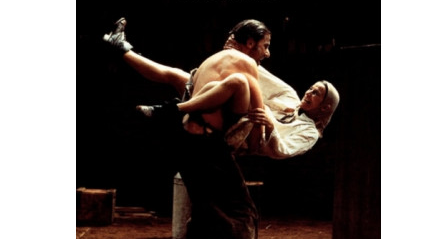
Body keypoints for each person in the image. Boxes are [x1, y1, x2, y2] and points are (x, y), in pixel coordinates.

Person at [104, 18, 282, 239]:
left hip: (185, 144)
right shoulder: (244, 65)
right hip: (206, 147)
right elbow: (255, 116)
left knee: (205, 208)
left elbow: (166, 74)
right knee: (241, 215)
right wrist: (260, 133)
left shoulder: (209, 65)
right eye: (265, 46)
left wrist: (123, 50)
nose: (267, 53)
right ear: (250, 43)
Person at [104, 18, 339, 158]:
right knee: (177, 76)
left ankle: (171, 110)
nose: (309, 92)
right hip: (236, 110)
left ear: (325, 107)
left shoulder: (309, 132)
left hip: (245, 135)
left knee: (238, 81)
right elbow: (258, 73)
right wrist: (236, 53)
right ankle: (121, 47)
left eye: (316, 93)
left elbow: (280, 151)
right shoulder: (289, 96)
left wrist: (269, 123)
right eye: (311, 88)